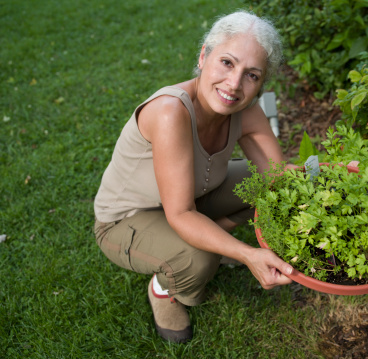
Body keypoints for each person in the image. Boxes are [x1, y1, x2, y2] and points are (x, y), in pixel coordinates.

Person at [93, 10, 296, 344]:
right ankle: (164, 288)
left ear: (262, 84)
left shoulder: (246, 109)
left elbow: (277, 178)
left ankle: (209, 241)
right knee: (197, 258)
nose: (234, 84)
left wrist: (330, 175)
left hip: (194, 197)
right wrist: (246, 254)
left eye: (252, 75)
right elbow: (180, 213)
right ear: (204, 56)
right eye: (227, 63)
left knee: (266, 189)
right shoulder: (170, 112)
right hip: (127, 220)